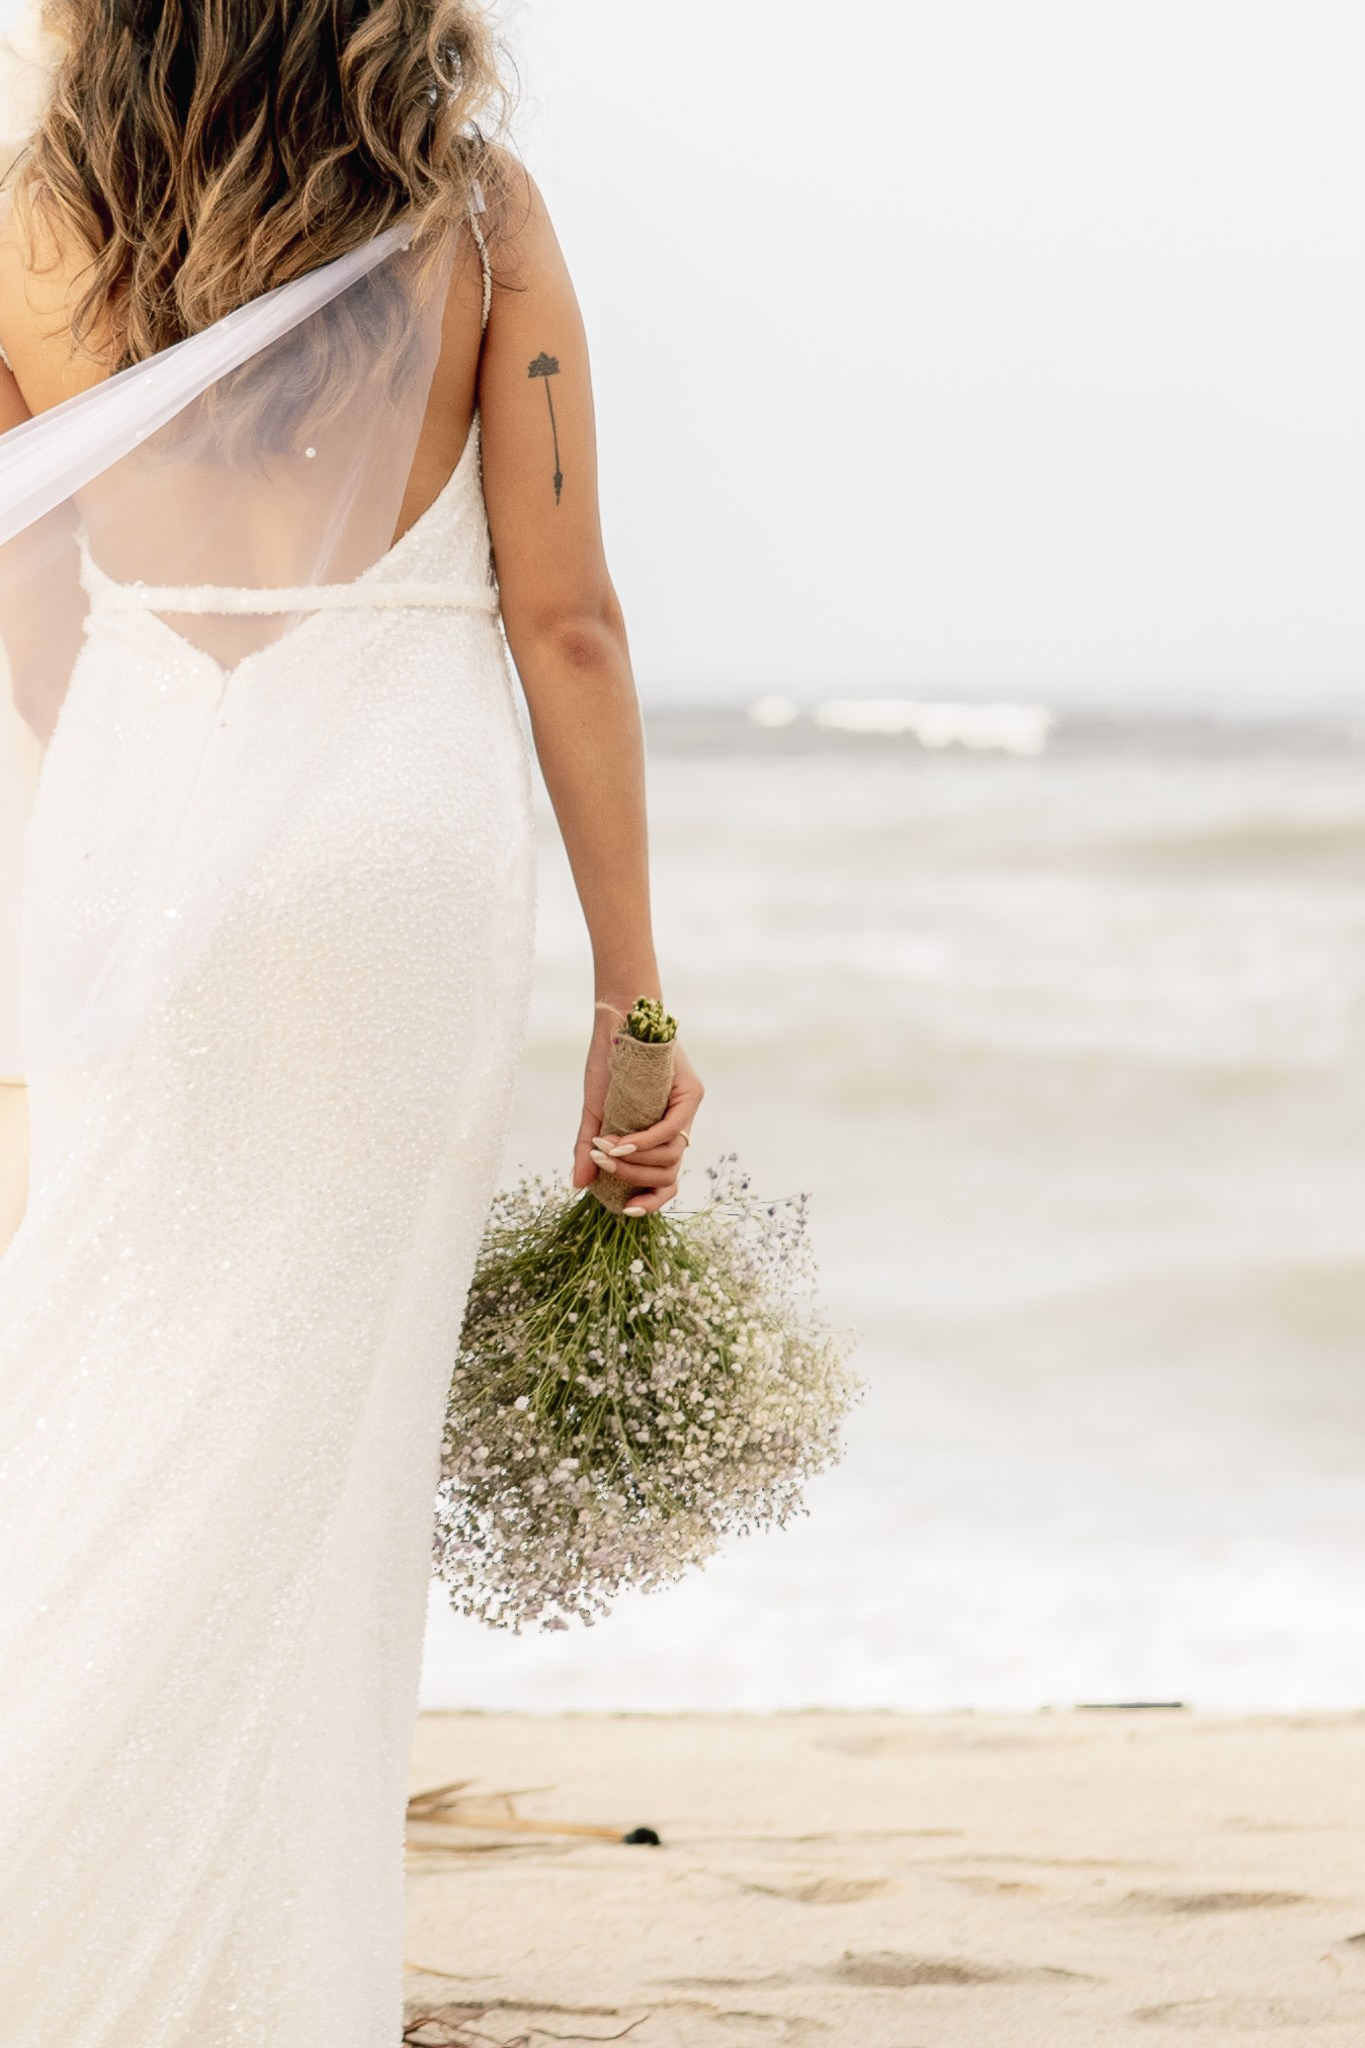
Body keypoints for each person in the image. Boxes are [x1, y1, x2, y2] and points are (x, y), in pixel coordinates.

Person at [0, 0, 703, 2038]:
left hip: (146, 804)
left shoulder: (33, 226)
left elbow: (30, 593)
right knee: (322, 1449)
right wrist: (634, 999)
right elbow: (566, 617)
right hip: (400, 844)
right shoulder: (475, 219)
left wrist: (133, 825)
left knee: (108, 1365)